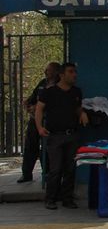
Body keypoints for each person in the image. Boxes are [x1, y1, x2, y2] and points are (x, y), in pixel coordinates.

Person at [35, 62, 87, 209]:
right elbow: (39, 109)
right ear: (62, 75)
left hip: (72, 134)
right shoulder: (49, 92)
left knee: (70, 168)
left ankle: (67, 198)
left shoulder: (76, 92)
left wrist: (82, 114)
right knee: (55, 169)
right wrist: (39, 127)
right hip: (55, 135)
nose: (74, 75)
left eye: (75, 72)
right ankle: (51, 198)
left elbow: (78, 108)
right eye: (70, 72)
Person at [18, 61, 61, 183]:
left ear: (56, 72)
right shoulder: (43, 83)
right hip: (35, 119)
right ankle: (26, 173)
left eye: (49, 70)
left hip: (49, 120)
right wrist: (28, 104)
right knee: (30, 145)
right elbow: (33, 97)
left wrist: (38, 106)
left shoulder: (59, 85)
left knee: (47, 147)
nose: (46, 72)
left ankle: (47, 173)